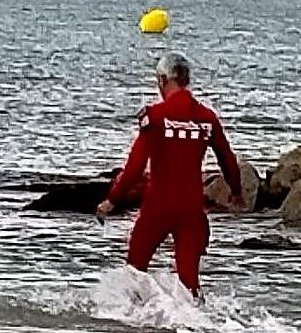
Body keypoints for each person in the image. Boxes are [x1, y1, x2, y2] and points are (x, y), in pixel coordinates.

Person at [95, 52, 244, 301]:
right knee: (189, 285)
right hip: (191, 209)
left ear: (163, 80)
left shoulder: (154, 117)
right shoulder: (207, 118)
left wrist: (112, 199)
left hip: (157, 207)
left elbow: (134, 168)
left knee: (134, 271)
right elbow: (228, 160)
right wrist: (236, 191)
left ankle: (133, 328)